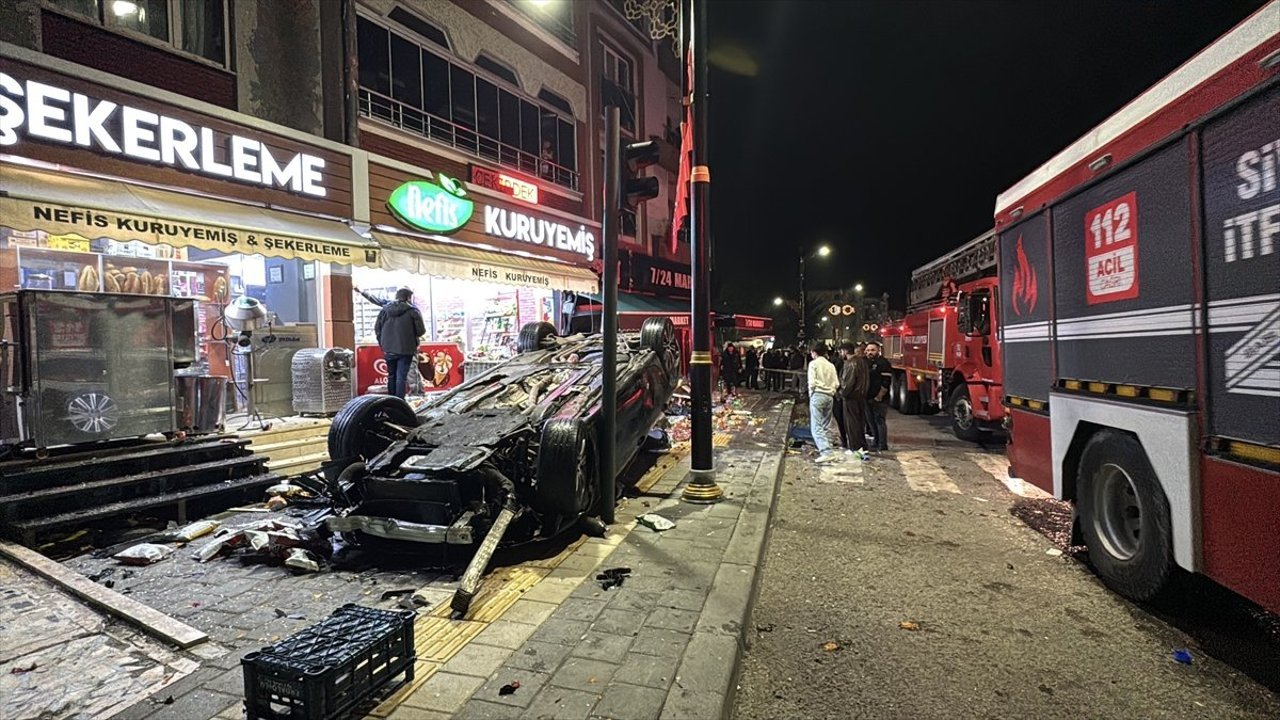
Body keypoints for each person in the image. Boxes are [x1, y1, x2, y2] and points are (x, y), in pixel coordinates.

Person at [375, 288, 426, 399]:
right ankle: (399, 402)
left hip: (388, 349)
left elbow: (377, 328)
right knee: (401, 377)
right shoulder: (413, 311)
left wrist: (382, 343)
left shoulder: (385, 310)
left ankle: (391, 401)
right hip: (406, 349)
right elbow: (421, 331)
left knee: (391, 376)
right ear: (408, 297)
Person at [807, 343, 841, 462]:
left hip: (818, 395)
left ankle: (826, 451)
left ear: (814, 352)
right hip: (829, 396)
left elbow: (812, 382)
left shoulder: (813, 364)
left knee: (816, 426)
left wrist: (811, 394)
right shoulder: (831, 365)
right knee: (826, 424)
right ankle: (828, 445)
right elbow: (837, 383)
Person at [839, 342, 870, 453]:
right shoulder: (862, 362)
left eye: (841, 351)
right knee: (860, 423)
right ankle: (862, 447)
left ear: (845, 351)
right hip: (861, 397)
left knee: (852, 424)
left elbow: (848, 384)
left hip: (851, 398)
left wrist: (842, 393)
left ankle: (855, 448)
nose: (841, 354)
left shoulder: (850, 364)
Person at [864, 340, 893, 451]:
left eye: (872, 350)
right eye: (868, 350)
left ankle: (882, 445)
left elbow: (886, 382)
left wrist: (879, 396)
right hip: (867, 397)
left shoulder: (883, 363)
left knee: (879, 421)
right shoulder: (866, 362)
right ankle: (875, 442)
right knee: (871, 421)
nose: (870, 352)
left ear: (878, 351)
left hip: (879, 399)